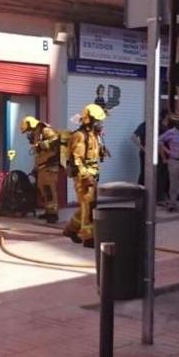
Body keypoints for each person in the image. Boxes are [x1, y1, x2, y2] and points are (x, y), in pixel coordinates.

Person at [63, 103, 106, 248]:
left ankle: (70, 229)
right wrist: (85, 176)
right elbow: (77, 159)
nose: (100, 123)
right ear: (90, 120)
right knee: (88, 206)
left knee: (88, 205)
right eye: (98, 120)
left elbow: (95, 155)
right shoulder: (79, 136)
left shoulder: (93, 135)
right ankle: (88, 238)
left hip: (92, 174)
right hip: (84, 176)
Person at [20, 116, 62, 223]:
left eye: (28, 130)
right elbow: (39, 154)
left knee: (49, 188)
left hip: (50, 166)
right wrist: (36, 167)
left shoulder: (45, 130)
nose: (28, 133)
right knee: (43, 188)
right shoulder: (37, 133)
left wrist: (43, 145)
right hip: (42, 166)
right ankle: (48, 211)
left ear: (31, 125)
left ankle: (53, 214)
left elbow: (57, 140)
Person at [159, 120, 179, 212]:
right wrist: (166, 152)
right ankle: (173, 204)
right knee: (174, 183)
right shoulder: (171, 132)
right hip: (174, 160)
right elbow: (159, 140)